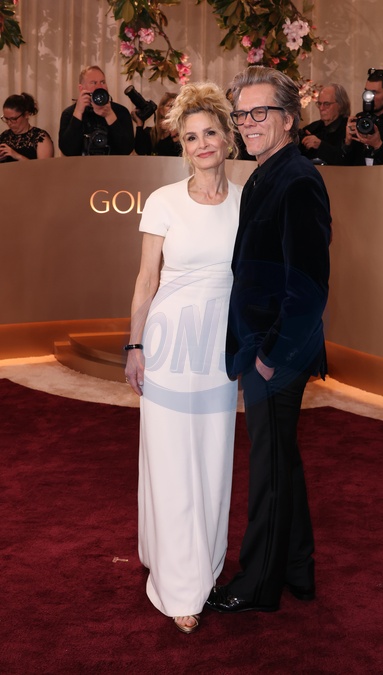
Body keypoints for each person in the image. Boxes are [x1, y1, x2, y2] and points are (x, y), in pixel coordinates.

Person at [205, 66, 331, 614]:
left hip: (279, 352)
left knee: (269, 472)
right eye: (241, 114)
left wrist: (269, 356)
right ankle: (298, 569)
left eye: (261, 112)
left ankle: (256, 585)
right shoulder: (264, 174)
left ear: (289, 118)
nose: (248, 122)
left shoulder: (297, 179)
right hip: (265, 346)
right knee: (281, 460)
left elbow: (309, 285)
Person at [124, 82, 242, 634]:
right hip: (169, 341)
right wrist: (135, 345)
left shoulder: (247, 201)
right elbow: (146, 279)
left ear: (228, 136)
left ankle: (205, 563)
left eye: (210, 132)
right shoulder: (164, 200)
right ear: (182, 145)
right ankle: (178, 582)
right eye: (191, 137)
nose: (202, 144)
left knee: (213, 456)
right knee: (171, 456)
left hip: (219, 346)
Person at [58, 65, 134, 156]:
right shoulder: (69, 113)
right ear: (81, 88)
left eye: (103, 82)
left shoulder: (120, 111)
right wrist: (78, 113)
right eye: (93, 83)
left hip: (113, 164)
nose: (99, 87)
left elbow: (126, 150)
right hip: (80, 164)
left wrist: (110, 115)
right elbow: (68, 151)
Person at [300, 83, 350, 165]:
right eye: (319, 104)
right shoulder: (313, 128)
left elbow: (348, 160)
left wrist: (320, 146)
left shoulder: (349, 129)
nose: (321, 108)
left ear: (340, 105)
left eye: (327, 104)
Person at [0, 93, 54, 162]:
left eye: (13, 119)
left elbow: (44, 167)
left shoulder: (40, 137)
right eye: (6, 119)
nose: (9, 123)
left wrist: (17, 156)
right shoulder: (5, 136)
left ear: (26, 114)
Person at [133, 92, 181, 156]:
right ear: (161, 110)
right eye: (170, 106)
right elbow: (140, 151)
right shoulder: (150, 133)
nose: (174, 109)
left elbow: (181, 153)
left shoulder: (182, 133)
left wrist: (173, 130)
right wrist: (139, 123)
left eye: (177, 107)